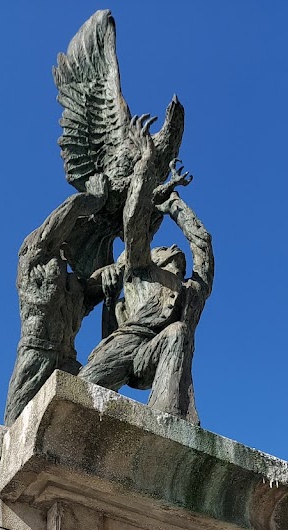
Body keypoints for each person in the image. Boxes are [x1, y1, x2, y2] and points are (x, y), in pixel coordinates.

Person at [79, 118, 214, 424]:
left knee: (178, 332)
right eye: (167, 247)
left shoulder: (192, 292)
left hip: (156, 355)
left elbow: (203, 242)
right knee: (76, 395)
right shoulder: (141, 269)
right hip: (125, 344)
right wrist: (146, 162)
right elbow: (135, 219)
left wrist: (176, 205)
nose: (175, 249)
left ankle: (168, 420)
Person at [4, 173, 115, 425]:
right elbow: (68, 212)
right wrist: (93, 200)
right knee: (15, 430)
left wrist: (112, 271)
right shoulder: (34, 257)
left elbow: (100, 287)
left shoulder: (76, 286)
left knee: (89, 417)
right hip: (37, 353)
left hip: (68, 362)